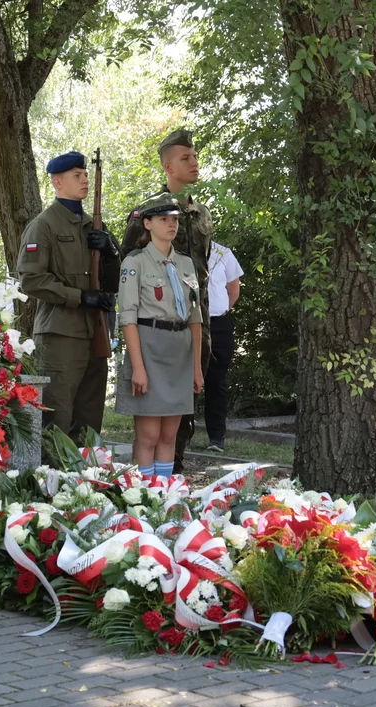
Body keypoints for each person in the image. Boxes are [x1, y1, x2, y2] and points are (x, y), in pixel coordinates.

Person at [122, 129, 214, 474]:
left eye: (195, 156)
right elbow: (130, 262)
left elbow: (201, 270)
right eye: (185, 158)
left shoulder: (202, 213)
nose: (194, 163)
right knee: (149, 425)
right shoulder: (145, 212)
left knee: (183, 407)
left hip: (192, 319)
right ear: (168, 166)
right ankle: (152, 483)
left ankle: (172, 471)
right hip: (152, 323)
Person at [16, 151, 120, 448]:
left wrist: (111, 252)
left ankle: (84, 486)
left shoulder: (94, 225)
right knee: (57, 419)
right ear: (57, 182)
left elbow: (114, 282)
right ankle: (52, 487)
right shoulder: (44, 225)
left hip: (95, 332)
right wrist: (79, 296)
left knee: (90, 420)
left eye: (85, 174)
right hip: (60, 336)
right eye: (77, 175)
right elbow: (31, 280)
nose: (85, 179)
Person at [116, 194, 204, 479]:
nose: (171, 224)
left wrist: (197, 367)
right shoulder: (135, 263)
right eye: (164, 219)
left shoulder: (186, 264)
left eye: (175, 219)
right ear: (148, 224)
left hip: (180, 351)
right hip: (149, 346)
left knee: (169, 435)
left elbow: (195, 317)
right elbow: (127, 316)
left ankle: (163, 495)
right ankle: (141, 497)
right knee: (149, 435)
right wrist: (138, 368)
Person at [203, 241, 243, 452]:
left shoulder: (223, 253)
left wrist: (218, 313)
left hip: (218, 324)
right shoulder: (180, 250)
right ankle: (182, 434)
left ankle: (216, 438)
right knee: (185, 380)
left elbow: (233, 291)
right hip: (189, 324)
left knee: (216, 381)